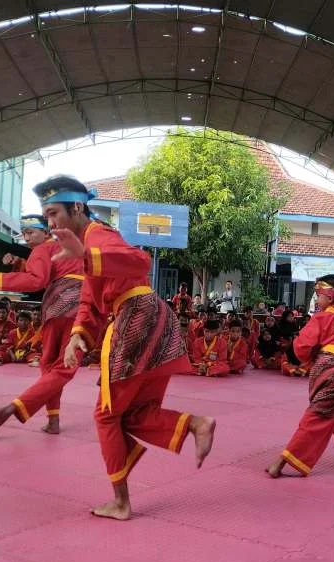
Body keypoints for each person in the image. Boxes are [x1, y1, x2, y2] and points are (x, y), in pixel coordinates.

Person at [40, 174, 216, 520]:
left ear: (77, 207)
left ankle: (121, 503)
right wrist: (78, 334)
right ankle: (195, 425)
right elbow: (91, 302)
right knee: (135, 414)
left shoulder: (99, 235)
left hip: (135, 319)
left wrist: (86, 256)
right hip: (152, 319)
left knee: (106, 414)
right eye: (46, 217)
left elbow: (141, 263)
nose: (50, 223)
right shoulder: (90, 244)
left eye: (52, 213)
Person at [0, 214, 85, 437]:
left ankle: (35, 414)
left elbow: (37, 279)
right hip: (80, 307)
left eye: (31, 231)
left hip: (58, 308)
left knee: (53, 366)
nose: (26, 235)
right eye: (24, 232)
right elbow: (41, 275)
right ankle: (34, 414)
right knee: (60, 366)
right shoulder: (69, 246)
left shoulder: (44, 250)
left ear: (45, 232)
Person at [266, 274, 334, 478]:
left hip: (328, 370)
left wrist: (308, 354)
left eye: (318, 296)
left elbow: (301, 346)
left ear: (329, 296)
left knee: (318, 414)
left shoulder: (321, 317)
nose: (317, 300)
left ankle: (283, 460)